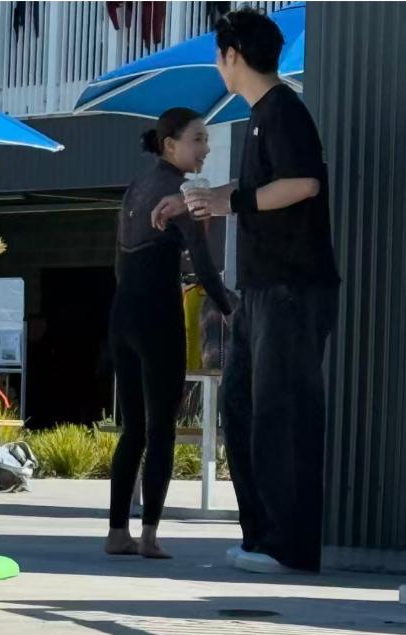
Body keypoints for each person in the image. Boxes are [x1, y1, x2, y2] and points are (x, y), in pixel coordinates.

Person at [151, 9, 340, 574]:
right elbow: (260, 186)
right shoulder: (260, 116)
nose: (217, 64)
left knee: (283, 414)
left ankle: (290, 546)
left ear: (233, 56)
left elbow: (303, 184)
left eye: (219, 55)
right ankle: (261, 536)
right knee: (243, 409)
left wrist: (231, 201)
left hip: (292, 287)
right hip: (260, 288)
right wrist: (200, 199)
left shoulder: (284, 110)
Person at [106, 108, 233, 558]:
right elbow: (205, 266)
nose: (206, 149)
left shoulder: (135, 187)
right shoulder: (182, 193)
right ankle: (149, 536)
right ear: (170, 145)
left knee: (133, 430)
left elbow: (121, 260)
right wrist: (229, 309)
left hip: (122, 316)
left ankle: (116, 532)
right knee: (160, 429)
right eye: (198, 139)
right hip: (158, 318)